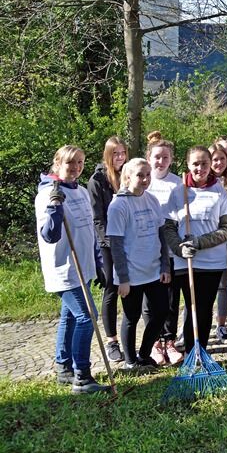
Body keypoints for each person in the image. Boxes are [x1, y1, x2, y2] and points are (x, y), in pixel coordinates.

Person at [36, 145, 109, 393]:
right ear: (57, 163)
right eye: (70, 162)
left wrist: (98, 262)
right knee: (87, 317)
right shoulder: (48, 194)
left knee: (69, 316)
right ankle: (82, 377)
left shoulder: (81, 191)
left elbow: (89, 229)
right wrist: (54, 208)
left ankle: (63, 367)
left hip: (83, 266)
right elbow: (50, 235)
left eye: (80, 162)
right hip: (64, 269)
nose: (76, 167)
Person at [161, 146, 227, 354]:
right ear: (188, 164)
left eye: (204, 163)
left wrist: (200, 242)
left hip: (212, 261)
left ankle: (200, 351)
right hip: (186, 261)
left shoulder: (219, 191)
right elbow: (168, 227)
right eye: (195, 164)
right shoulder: (179, 191)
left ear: (210, 165)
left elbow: (226, 229)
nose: (200, 168)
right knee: (191, 307)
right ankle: (190, 353)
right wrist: (180, 248)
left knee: (204, 307)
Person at [107, 158, 171, 370]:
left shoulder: (152, 200)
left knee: (162, 311)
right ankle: (130, 362)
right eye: (140, 175)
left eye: (148, 175)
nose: (145, 179)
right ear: (127, 177)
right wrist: (122, 278)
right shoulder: (118, 205)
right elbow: (116, 245)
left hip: (153, 269)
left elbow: (161, 235)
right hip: (131, 274)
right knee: (131, 317)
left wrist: (165, 265)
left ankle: (144, 354)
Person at [87, 136, 128, 364]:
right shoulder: (97, 181)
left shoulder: (128, 175)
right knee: (112, 288)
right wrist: (112, 244)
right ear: (107, 155)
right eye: (115, 153)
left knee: (133, 286)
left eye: (123, 153)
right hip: (108, 243)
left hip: (129, 241)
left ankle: (131, 338)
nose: (120, 157)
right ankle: (112, 342)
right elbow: (97, 219)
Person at [145, 132, 184, 365]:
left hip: (170, 249)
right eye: (157, 157)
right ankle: (154, 343)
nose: (161, 161)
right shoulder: (142, 179)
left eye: (165, 157)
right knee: (150, 300)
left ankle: (169, 340)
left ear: (171, 159)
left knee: (170, 298)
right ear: (149, 158)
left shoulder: (177, 183)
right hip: (147, 248)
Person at [210, 143, 227, 343]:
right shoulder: (203, 182)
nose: (219, 163)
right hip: (208, 238)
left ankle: (221, 324)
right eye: (215, 159)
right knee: (201, 286)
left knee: (224, 283)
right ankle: (190, 327)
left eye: (222, 158)